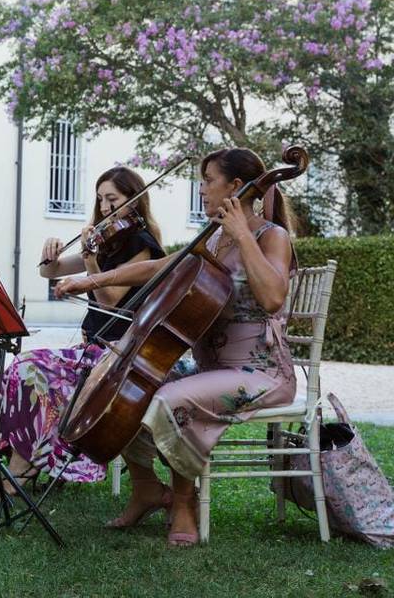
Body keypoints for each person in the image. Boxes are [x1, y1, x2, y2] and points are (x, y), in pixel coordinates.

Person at [55, 148, 297, 546]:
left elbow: (272, 297)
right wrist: (90, 281)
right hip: (209, 370)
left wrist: (241, 235)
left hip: (260, 374)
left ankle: (184, 502)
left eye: (208, 180)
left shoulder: (272, 236)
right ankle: (146, 489)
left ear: (236, 187)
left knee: (170, 398)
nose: (201, 189)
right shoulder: (213, 238)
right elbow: (157, 267)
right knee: (127, 390)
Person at [0, 167, 165, 491]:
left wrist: (90, 262)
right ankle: (27, 463)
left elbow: (110, 301)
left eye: (112, 199)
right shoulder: (109, 243)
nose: (104, 208)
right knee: (20, 369)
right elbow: (52, 272)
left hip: (116, 355)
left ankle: (25, 469)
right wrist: (49, 255)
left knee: (29, 368)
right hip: (92, 351)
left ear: (134, 200)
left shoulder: (142, 245)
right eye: (100, 199)